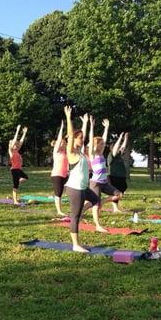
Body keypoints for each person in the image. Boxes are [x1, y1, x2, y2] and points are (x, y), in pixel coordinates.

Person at [63, 106, 102, 252]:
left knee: (95, 200)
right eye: (80, 138)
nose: (82, 139)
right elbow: (71, 136)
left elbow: (82, 135)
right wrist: (68, 117)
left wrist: (85, 123)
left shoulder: (80, 153)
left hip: (83, 187)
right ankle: (75, 245)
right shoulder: (71, 152)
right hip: (75, 188)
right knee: (75, 216)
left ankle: (79, 214)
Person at [88, 117, 122, 223]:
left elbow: (104, 139)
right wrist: (92, 126)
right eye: (101, 144)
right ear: (95, 145)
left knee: (119, 194)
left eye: (103, 144)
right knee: (96, 206)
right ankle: (97, 224)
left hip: (104, 182)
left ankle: (99, 202)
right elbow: (90, 139)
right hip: (96, 183)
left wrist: (106, 128)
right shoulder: (92, 154)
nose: (103, 145)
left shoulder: (101, 153)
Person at [50, 120, 68, 216]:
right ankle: (59, 211)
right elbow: (60, 138)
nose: (62, 144)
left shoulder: (66, 153)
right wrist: (61, 128)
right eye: (60, 143)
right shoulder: (56, 151)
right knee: (58, 193)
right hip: (57, 174)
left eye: (64, 143)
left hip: (65, 174)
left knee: (66, 190)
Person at [107, 132, 129, 213]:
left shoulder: (119, 155)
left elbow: (122, 147)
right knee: (116, 193)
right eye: (117, 148)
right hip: (114, 177)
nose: (119, 149)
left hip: (121, 177)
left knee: (122, 190)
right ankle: (115, 208)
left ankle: (113, 205)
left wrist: (125, 138)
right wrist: (120, 137)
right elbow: (116, 147)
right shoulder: (112, 155)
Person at [8, 125, 28, 205]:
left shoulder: (16, 150)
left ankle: (14, 196)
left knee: (25, 178)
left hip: (18, 169)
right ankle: (15, 200)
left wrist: (24, 133)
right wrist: (17, 130)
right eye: (14, 144)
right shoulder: (11, 151)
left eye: (16, 144)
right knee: (15, 185)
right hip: (14, 170)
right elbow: (14, 141)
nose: (16, 145)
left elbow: (21, 142)